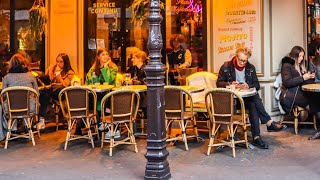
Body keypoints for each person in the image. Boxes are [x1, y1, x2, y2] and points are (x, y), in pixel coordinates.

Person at [217, 47, 284, 149]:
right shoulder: (226, 66)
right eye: (240, 60)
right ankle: (268, 123)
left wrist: (248, 85)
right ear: (236, 57)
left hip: (245, 98)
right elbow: (218, 83)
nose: (242, 63)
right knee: (254, 101)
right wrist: (229, 84)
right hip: (232, 99)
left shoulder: (250, 67)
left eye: (245, 60)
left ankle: (257, 137)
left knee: (253, 102)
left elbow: (256, 85)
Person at [0, 54, 39, 141]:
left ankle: (13, 129)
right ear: (24, 63)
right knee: (28, 101)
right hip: (29, 108)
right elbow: (36, 92)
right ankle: (27, 126)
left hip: (11, 109)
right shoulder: (31, 76)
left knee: (9, 104)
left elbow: (3, 95)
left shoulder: (7, 78)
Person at [38, 53, 75, 128]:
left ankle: (42, 118)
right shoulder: (52, 68)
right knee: (43, 94)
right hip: (50, 89)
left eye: (61, 62)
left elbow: (65, 84)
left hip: (61, 92)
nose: (58, 63)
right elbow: (47, 80)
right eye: (57, 61)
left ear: (65, 62)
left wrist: (58, 76)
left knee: (47, 94)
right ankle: (41, 119)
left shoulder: (69, 72)